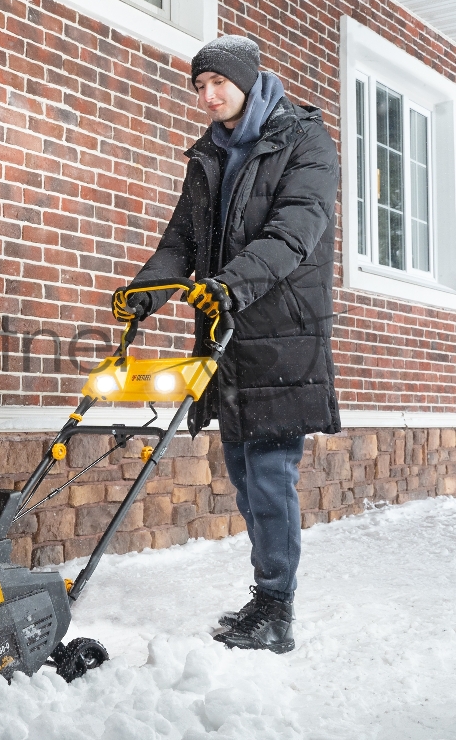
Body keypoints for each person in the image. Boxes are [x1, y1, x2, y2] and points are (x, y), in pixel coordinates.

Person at [112, 35, 340, 654]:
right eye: (199, 86)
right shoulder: (208, 155)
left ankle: (277, 613)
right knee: (245, 476)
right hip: (227, 334)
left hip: (280, 333)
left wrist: (229, 286)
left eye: (218, 84)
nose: (208, 97)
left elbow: (295, 233)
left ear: (249, 79)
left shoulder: (304, 142)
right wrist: (145, 291)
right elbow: (181, 241)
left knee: (269, 476)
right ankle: (267, 596)